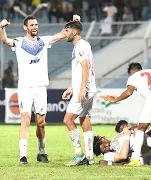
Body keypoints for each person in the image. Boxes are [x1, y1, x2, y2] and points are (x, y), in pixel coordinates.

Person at [0, 15, 67, 164]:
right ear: (26, 27)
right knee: (25, 119)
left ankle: (41, 152)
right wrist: (2, 28)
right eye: (32, 25)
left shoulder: (44, 41)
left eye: (36, 24)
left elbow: (62, 34)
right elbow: (5, 40)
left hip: (41, 87)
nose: (35, 27)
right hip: (25, 87)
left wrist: (75, 22)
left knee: (41, 122)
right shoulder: (19, 42)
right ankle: (23, 155)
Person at [61, 16, 96, 166]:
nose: (64, 33)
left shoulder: (80, 46)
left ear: (75, 33)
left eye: (67, 30)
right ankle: (90, 157)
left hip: (85, 89)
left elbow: (85, 67)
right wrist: (72, 87)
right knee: (84, 120)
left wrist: (81, 89)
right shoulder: (82, 45)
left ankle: (79, 154)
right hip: (89, 88)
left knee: (68, 120)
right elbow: (79, 70)